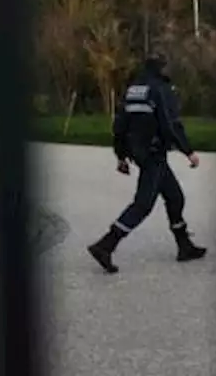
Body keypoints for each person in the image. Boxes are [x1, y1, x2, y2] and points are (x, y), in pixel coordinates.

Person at [87, 53, 207, 273]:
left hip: (139, 153)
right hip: (154, 154)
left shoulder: (133, 89)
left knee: (175, 197)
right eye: (166, 67)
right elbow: (170, 125)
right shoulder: (160, 90)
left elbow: (120, 124)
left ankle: (184, 246)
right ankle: (106, 245)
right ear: (161, 69)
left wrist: (121, 155)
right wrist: (188, 151)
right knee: (143, 204)